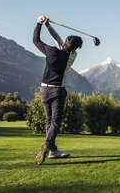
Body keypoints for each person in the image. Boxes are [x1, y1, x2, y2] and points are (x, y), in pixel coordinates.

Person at [33, 15, 83, 165]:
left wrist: (41, 24)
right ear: (75, 48)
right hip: (58, 91)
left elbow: (36, 40)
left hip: (44, 90)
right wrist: (48, 26)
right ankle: (48, 144)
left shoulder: (51, 51)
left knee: (49, 121)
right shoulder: (72, 56)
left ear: (65, 42)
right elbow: (60, 41)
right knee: (55, 122)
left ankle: (53, 151)